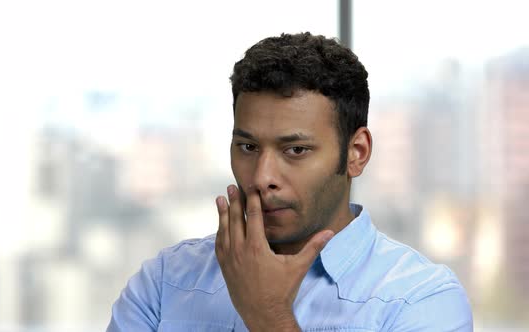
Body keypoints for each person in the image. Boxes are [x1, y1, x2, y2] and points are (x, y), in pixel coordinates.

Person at [107, 32, 473, 331]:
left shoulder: (421, 300)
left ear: (356, 153)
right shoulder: (164, 283)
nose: (263, 177)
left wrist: (268, 316)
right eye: (248, 146)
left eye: (295, 150)